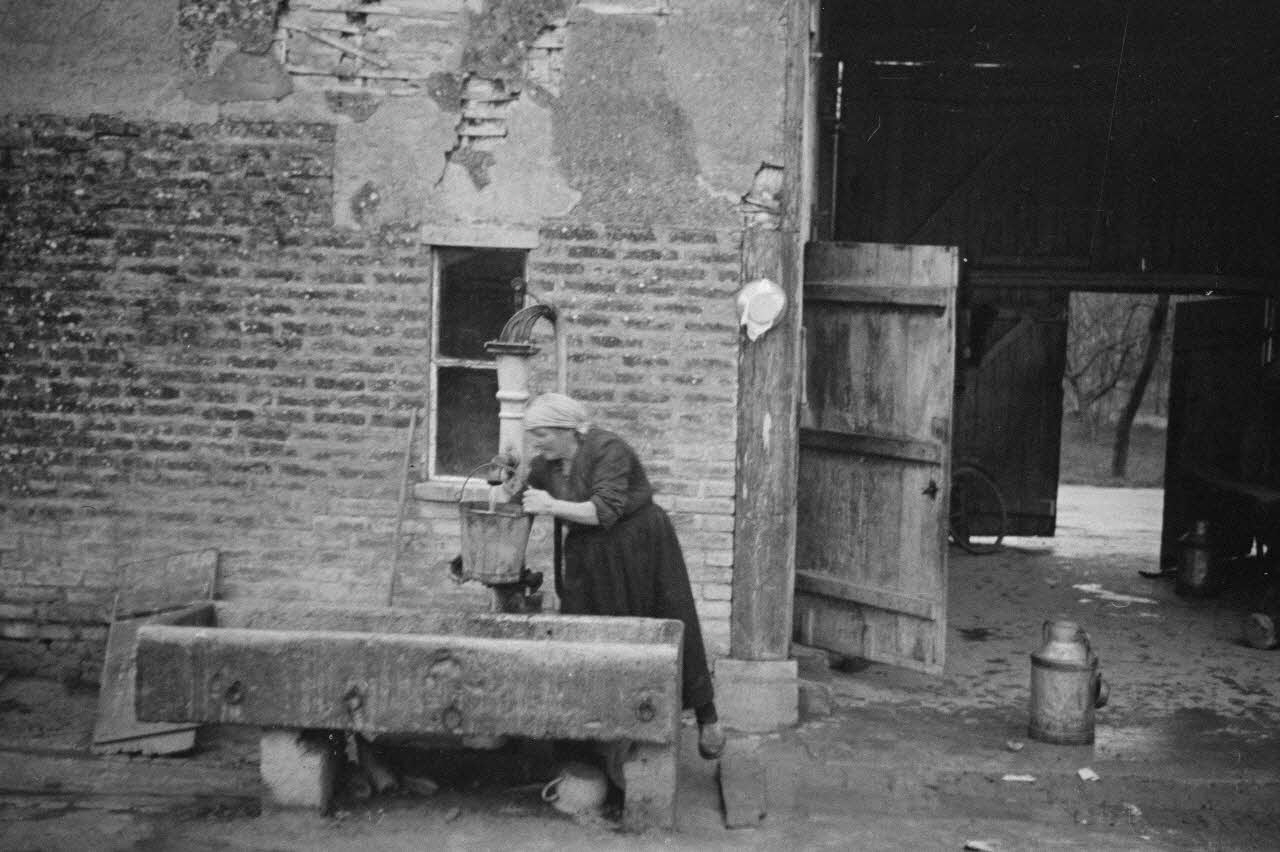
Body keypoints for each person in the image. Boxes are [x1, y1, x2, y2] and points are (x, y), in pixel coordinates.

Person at [513, 392, 725, 761]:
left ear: (567, 429)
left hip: (638, 546)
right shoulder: (546, 466)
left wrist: (551, 505)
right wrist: (502, 505)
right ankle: (594, 739)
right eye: (533, 435)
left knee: (667, 622)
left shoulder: (609, 450)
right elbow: (518, 506)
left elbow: (604, 511)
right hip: (588, 555)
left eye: (542, 434)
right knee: (583, 634)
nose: (536, 443)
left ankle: (707, 718)